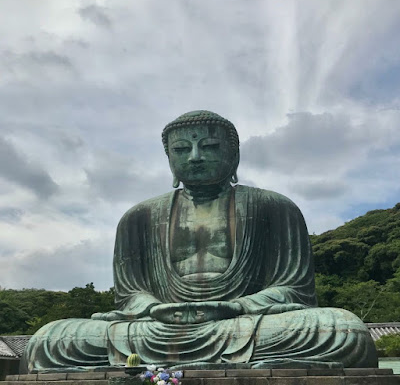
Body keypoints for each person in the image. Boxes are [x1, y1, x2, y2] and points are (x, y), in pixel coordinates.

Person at [22, 110, 377, 372]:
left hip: (243, 324)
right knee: (50, 339)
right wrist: (150, 308)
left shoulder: (273, 207)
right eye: (181, 150)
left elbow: (293, 290)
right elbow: (130, 294)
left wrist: (234, 307)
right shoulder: (139, 217)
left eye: (208, 146)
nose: (194, 157)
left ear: (233, 154)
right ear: (169, 158)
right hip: (158, 328)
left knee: (341, 330)